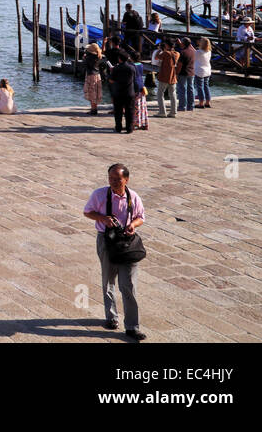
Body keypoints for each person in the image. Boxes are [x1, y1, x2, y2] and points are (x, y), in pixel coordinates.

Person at [83, 163, 146, 340]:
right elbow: (87, 212)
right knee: (108, 280)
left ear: (126, 179)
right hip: (106, 241)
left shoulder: (133, 197)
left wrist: (132, 225)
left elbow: (141, 217)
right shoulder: (99, 194)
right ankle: (111, 317)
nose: (113, 182)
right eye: (110, 178)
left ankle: (132, 326)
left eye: (117, 179)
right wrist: (103, 218)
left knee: (129, 285)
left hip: (127, 245)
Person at [108, 49, 136, 133]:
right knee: (129, 111)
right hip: (129, 92)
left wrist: (111, 73)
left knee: (118, 111)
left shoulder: (116, 68)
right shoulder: (132, 67)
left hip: (118, 92)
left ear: (120, 59)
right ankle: (129, 128)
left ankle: (118, 127)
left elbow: (111, 80)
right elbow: (134, 78)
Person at [154, 40, 179, 118]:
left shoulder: (166, 53)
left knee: (160, 94)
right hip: (173, 77)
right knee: (173, 95)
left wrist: (159, 49)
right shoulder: (177, 54)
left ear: (167, 46)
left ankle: (162, 112)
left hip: (164, 76)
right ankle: (173, 112)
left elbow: (156, 57)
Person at [82, 43, 104, 115]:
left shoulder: (89, 57)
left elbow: (85, 65)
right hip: (97, 75)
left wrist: (84, 59)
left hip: (91, 75)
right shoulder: (99, 56)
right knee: (96, 92)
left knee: (92, 92)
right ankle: (94, 108)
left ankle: (93, 109)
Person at [176, 36, 196, 112]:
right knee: (191, 89)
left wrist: (176, 73)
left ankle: (182, 106)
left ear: (183, 43)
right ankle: (191, 106)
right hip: (191, 72)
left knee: (182, 89)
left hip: (183, 73)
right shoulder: (193, 51)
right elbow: (189, 46)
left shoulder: (183, 52)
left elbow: (180, 65)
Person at [193, 37, 213, 108]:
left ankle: (201, 103)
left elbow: (194, 57)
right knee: (206, 86)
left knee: (200, 87)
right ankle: (208, 102)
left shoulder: (198, 52)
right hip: (207, 70)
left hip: (200, 71)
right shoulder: (209, 51)